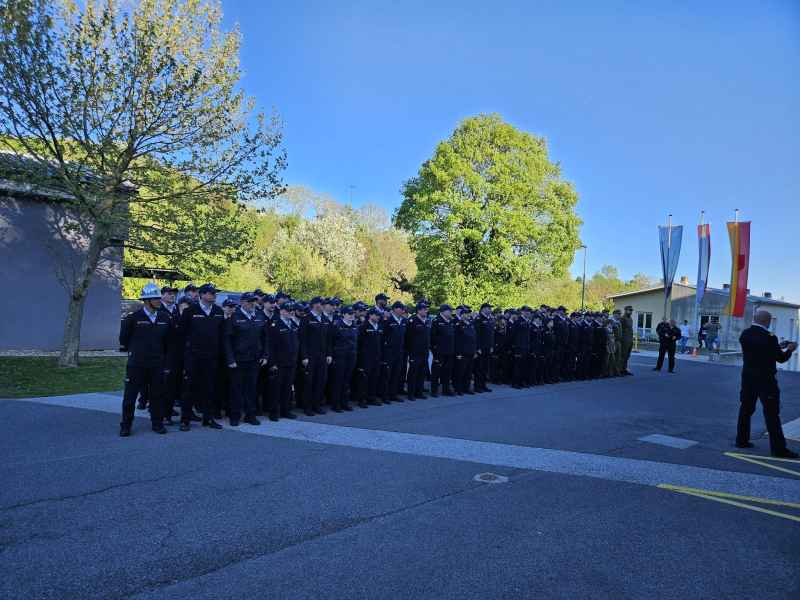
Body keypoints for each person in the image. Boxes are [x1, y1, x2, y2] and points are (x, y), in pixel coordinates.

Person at [735, 310, 798, 458]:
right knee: (772, 414)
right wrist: (789, 350)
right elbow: (780, 358)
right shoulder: (770, 337)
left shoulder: (745, 334)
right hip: (766, 381)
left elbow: (760, 350)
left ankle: (741, 440)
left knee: (745, 410)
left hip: (748, 379)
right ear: (767, 321)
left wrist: (777, 346)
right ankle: (778, 449)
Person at [118, 283, 172, 436]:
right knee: (130, 396)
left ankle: (157, 423)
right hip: (137, 364)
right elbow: (124, 339)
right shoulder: (133, 318)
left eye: (159, 298)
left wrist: (166, 362)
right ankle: (126, 425)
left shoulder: (164, 318)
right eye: (156, 298)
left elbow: (168, 342)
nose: (159, 301)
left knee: (157, 395)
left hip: (157, 364)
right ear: (147, 301)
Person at [179, 283, 226, 430]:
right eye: (211, 293)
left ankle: (208, 418)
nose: (214, 295)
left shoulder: (218, 311)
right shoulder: (190, 311)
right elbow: (182, 334)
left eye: (215, 293)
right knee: (189, 388)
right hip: (193, 357)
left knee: (210, 388)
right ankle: (185, 420)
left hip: (211, 357)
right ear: (202, 295)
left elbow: (222, 335)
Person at [223, 292, 268, 426]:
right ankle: (235, 416)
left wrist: (265, 355)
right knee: (236, 389)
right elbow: (227, 340)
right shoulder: (234, 317)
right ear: (242, 302)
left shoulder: (259, 316)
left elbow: (265, 338)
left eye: (253, 301)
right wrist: (230, 359)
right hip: (238, 360)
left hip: (254, 359)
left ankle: (250, 415)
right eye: (249, 301)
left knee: (251, 389)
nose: (251, 304)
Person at [265, 302, 299, 421]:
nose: (291, 312)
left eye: (292, 310)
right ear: (282, 311)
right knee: (276, 389)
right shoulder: (275, 325)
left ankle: (286, 410)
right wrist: (272, 363)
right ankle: (274, 412)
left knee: (287, 387)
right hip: (279, 363)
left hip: (291, 361)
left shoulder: (292, 324)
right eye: (288, 310)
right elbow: (270, 346)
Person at [299, 296, 332, 416]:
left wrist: (329, 354)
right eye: (321, 304)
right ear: (315, 305)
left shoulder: (325, 319)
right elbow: (302, 339)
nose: (323, 306)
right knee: (309, 382)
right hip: (310, 356)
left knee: (320, 381)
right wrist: (304, 356)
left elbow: (328, 339)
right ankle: (307, 407)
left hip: (322, 356)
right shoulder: (306, 318)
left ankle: (316, 405)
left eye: (324, 304)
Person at [329, 305, 358, 412]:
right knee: (338, 381)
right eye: (349, 314)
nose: (352, 316)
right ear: (343, 315)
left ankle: (344, 402)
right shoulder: (337, 326)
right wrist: (332, 355)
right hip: (340, 356)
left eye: (353, 314)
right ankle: (336, 404)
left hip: (351, 356)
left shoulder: (354, 326)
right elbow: (331, 342)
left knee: (347, 380)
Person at [355, 307, 383, 407]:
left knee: (374, 378)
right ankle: (361, 399)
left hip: (376, 356)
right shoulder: (364, 326)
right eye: (376, 315)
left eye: (379, 315)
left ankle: (371, 397)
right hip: (365, 357)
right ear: (370, 315)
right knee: (364, 379)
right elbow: (359, 342)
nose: (378, 317)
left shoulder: (379, 326)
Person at [381, 300, 407, 403]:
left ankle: (393, 394)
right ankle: (385, 396)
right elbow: (383, 336)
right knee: (387, 375)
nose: (403, 310)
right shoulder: (388, 321)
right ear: (395, 309)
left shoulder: (404, 321)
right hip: (389, 352)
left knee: (396, 374)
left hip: (399, 352)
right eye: (401, 308)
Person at [405, 301, 431, 401]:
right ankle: (411, 393)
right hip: (415, 352)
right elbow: (408, 337)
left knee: (421, 373)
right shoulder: (412, 321)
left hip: (424, 351)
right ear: (419, 310)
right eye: (424, 309)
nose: (426, 311)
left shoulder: (427, 321)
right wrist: (410, 350)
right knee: (413, 373)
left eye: (426, 309)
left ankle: (419, 392)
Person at [430, 304, 456, 397]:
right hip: (439, 351)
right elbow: (432, 337)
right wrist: (434, 351)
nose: (451, 312)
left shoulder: (451, 321)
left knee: (447, 371)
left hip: (449, 351)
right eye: (449, 311)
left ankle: (446, 389)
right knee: (436, 372)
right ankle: (434, 390)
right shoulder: (436, 321)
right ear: (443, 311)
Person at [474, 303, 494, 393]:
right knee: (479, 368)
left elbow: (491, 335)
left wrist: (491, 346)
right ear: (483, 309)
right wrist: (478, 347)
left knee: (485, 368)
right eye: (489, 308)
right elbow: (477, 335)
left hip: (488, 347)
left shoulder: (489, 319)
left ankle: (483, 385)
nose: (490, 310)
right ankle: (477, 386)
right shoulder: (478, 319)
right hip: (481, 348)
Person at [619, 306, 634, 375]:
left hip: (630, 339)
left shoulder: (630, 319)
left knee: (627, 356)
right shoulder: (622, 318)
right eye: (629, 310)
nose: (630, 312)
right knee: (623, 355)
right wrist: (621, 339)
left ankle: (624, 369)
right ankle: (620, 370)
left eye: (631, 310)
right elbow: (620, 330)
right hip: (624, 339)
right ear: (625, 310)